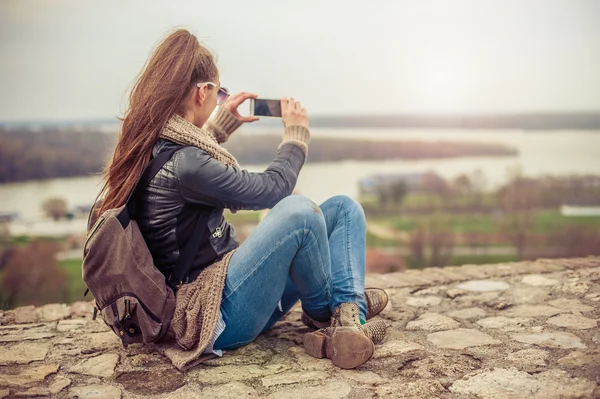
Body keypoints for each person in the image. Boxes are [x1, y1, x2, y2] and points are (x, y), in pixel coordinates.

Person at [97, 28, 389, 370]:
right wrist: (296, 138)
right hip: (211, 314)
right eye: (219, 94)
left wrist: (219, 126)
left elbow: (190, 165)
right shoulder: (186, 163)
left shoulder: (149, 144)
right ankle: (339, 311)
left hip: (226, 292)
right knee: (299, 213)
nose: (220, 99)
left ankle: (346, 321)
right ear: (202, 92)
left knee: (343, 208)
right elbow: (273, 189)